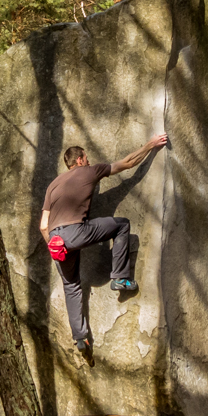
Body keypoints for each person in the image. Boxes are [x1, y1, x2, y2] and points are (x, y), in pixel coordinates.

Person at [39, 133, 168, 354]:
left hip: (56, 240)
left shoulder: (53, 185)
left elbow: (43, 225)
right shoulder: (89, 171)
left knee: (71, 286)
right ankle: (119, 278)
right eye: (86, 158)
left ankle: (80, 339)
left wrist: (54, 246)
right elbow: (127, 163)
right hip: (76, 231)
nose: (88, 161)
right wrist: (150, 145)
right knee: (121, 225)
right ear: (79, 160)